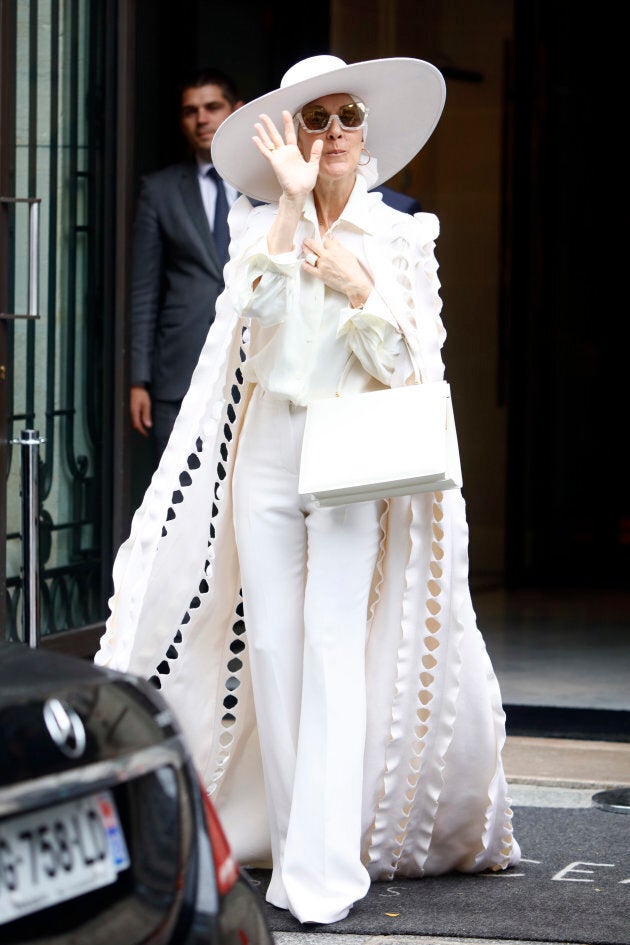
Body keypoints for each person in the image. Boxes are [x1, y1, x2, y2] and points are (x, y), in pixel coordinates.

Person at [96, 55, 521, 925]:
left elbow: (408, 364)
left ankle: (327, 870)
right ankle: (293, 857)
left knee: (331, 649)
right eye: (314, 119)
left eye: (346, 118)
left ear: (367, 134)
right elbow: (250, 322)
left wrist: (358, 287)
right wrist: (290, 209)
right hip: (269, 453)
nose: (332, 135)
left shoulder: (403, 236)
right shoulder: (260, 229)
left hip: (353, 455)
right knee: (279, 656)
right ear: (292, 135)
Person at [129, 67, 244, 460]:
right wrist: (139, 379)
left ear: (237, 110)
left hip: (256, 363)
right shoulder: (159, 191)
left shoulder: (269, 185)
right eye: (190, 111)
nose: (202, 119)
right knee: (175, 495)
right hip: (179, 370)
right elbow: (144, 291)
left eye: (213, 107)